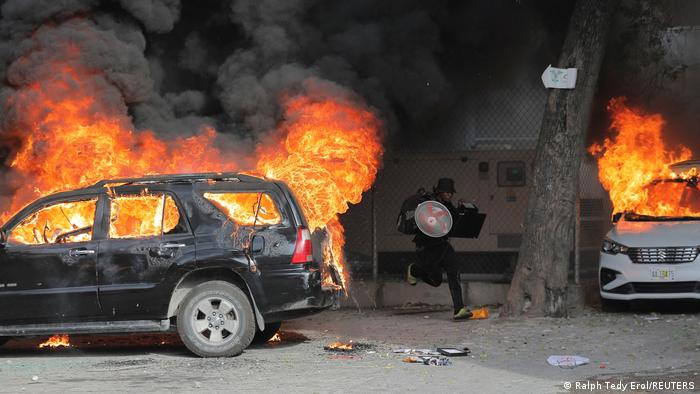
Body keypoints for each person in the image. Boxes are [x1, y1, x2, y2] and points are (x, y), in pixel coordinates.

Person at [406, 177, 472, 320]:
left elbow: (453, 223)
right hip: (426, 247)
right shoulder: (428, 201)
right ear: (440, 191)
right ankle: (414, 270)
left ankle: (459, 309)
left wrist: (461, 208)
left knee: (453, 270)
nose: (449, 195)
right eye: (447, 192)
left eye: (451, 193)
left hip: (442, 245)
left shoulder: (447, 205)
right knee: (436, 281)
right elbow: (421, 219)